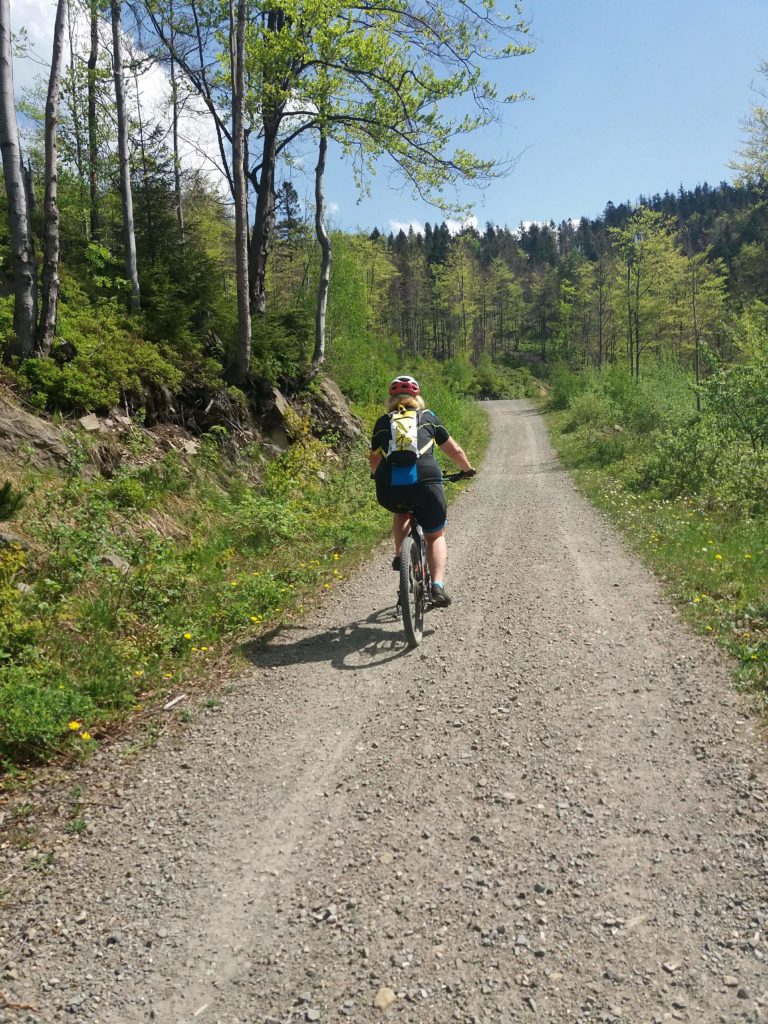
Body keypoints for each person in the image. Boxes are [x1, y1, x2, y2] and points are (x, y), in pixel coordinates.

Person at [369, 375, 475, 607]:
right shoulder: (428, 418)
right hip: (426, 479)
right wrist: (467, 470)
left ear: (390, 400)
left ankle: (400, 555)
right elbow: (454, 450)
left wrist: (376, 474)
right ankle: (437, 586)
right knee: (435, 535)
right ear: (417, 398)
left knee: (401, 511)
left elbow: (374, 459)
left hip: (391, 484)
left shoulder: (382, 422)